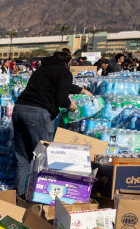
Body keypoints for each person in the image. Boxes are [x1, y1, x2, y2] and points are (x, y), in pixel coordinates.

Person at [11, 47, 93, 193]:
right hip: (38, 113)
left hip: (19, 109)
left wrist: (81, 90)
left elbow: (61, 86)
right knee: (43, 156)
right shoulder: (64, 72)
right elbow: (61, 97)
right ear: (69, 61)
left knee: (22, 157)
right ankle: (40, 195)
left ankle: (19, 195)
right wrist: (71, 105)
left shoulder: (42, 70)